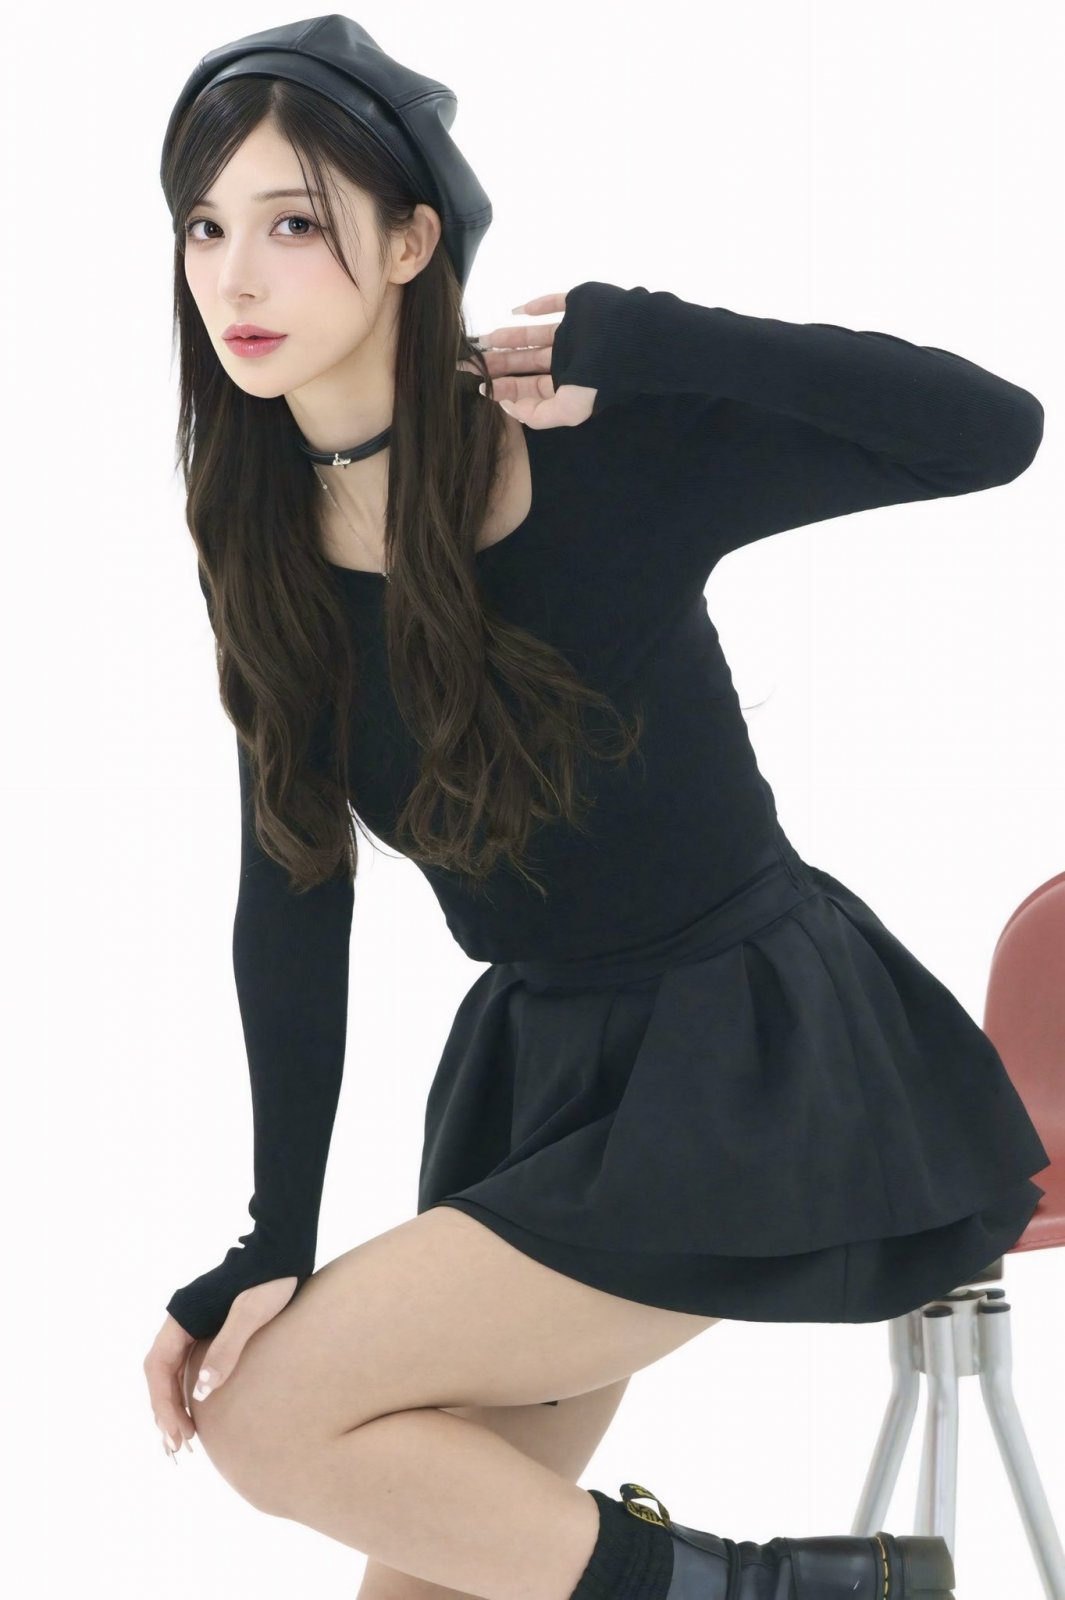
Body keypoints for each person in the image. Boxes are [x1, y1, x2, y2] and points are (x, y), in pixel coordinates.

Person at [142, 15, 1049, 1600]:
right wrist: (271, 1237)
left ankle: (784, 1592)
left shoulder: (595, 451)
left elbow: (990, 432)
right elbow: (291, 891)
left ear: (412, 242)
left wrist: (661, 339)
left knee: (269, 1421)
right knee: (426, 1576)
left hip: (748, 1062)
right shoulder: (262, 540)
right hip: (540, 1081)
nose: (236, 276)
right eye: (205, 227)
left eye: (292, 223)